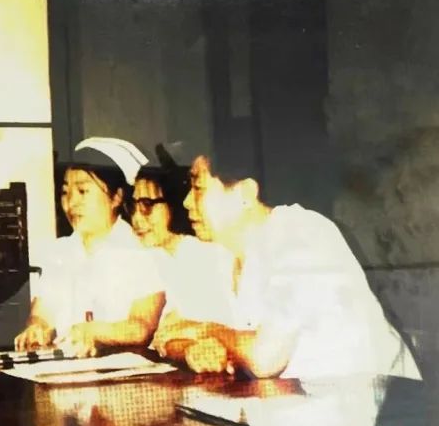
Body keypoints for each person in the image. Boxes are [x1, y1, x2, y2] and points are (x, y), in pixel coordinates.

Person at [152, 154, 420, 380]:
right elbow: (166, 333)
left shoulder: (300, 234)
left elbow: (264, 358)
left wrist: (207, 331)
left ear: (245, 193)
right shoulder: (222, 255)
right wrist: (193, 349)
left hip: (384, 404)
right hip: (303, 405)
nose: (186, 201)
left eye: (198, 187)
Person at [14, 137, 166, 357]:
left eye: (83, 191)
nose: (71, 203)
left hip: (128, 372)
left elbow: (140, 327)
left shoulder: (141, 250)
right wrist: (37, 328)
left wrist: (93, 331)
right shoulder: (59, 252)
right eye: (65, 192)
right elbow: (42, 314)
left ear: (116, 197)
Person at [130, 158, 234, 325]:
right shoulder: (149, 257)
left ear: (173, 203)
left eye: (147, 205)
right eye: (132, 206)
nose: (136, 218)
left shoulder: (204, 253)